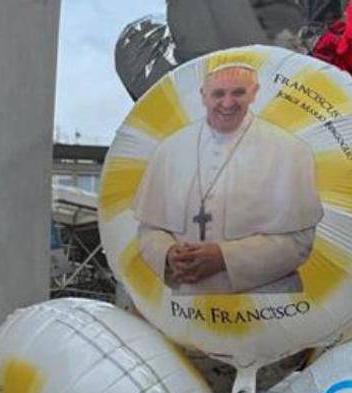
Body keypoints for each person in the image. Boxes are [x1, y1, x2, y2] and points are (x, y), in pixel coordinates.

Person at [134, 58, 324, 296]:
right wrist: (168, 254)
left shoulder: (290, 150)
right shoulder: (170, 149)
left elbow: (299, 241)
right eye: (218, 94)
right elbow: (149, 229)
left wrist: (224, 258)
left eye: (238, 93)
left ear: (254, 93)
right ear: (204, 95)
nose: (227, 103)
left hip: (266, 305)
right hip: (189, 306)